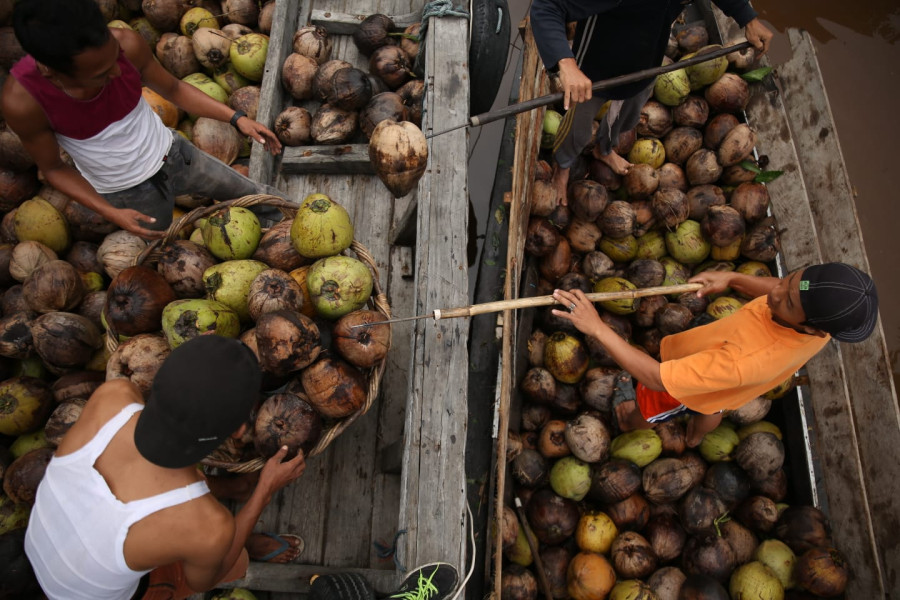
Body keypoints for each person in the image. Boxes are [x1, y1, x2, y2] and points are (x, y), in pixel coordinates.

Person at [24, 335, 308, 600]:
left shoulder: (113, 395)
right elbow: (204, 584)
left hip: (42, 544)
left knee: (191, 514)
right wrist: (265, 489)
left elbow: (154, 465)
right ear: (238, 430)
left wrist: (198, 364)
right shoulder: (209, 527)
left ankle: (234, 493)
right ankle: (239, 537)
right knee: (234, 561)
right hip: (83, 594)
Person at [2, 0, 286, 240]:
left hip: (175, 153)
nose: (116, 73)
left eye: (114, 57)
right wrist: (111, 212)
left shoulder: (127, 44)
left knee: (253, 195)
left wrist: (236, 118)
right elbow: (53, 169)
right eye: (100, 74)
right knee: (163, 242)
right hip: (126, 192)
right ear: (50, 71)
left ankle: (290, 218)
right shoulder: (24, 103)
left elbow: (174, 89)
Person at [551, 262, 879, 447]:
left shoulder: (742, 361)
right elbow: (785, 289)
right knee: (715, 403)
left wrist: (595, 327)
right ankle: (695, 438)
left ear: (813, 329)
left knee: (654, 405)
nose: (776, 293)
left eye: (788, 302)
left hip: (709, 375)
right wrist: (733, 278)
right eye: (791, 280)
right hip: (728, 375)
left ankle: (633, 421)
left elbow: (656, 378)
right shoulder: (820, 319)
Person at [529, 0, 774, 204]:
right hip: (595, 67)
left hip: (646, 63)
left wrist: (747, 18)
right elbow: (547, 6)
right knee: (577, 126)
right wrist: (566, 64)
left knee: (629, 117)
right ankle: (563, 166)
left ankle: (604, 149)